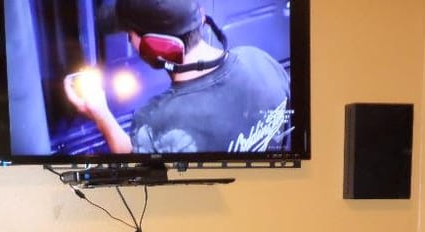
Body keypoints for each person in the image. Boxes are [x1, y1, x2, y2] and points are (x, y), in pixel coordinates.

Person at [64, 0, 291, 155]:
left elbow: (133, 166)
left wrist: (100, 114)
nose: (129, 41)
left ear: (155, 45)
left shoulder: (157, 122)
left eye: (130, 35)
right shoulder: (262, 60)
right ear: (200, 16)